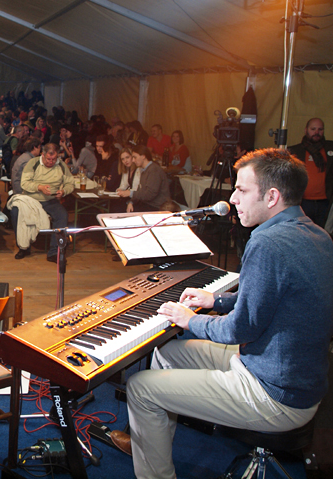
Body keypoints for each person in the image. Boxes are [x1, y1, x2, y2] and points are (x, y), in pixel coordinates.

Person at [109, 148, 333, 479]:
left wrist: (191, 319)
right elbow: (269, 297)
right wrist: (216, 301)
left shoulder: (267, 242)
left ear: (271, 196)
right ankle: (148, 440)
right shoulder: (316, 234)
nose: (232, 198)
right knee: (168, 352)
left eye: (242, 190)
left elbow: (239, 331)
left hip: (274, 391)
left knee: (140, 387)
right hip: (295, 375)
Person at [16, 142, 75, 261]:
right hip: (31, 199)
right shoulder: (33, 163)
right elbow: (24, 183)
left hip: (50, 200)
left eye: (54, 159)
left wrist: (63, 191)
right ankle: (24, 248)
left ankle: (54, 252)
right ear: (43, 155)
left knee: (62, 215)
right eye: (48, 159)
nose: (51, 162)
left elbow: (70, 183)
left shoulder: (61, 165)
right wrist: (39, 187)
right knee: (16, 212)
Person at [288, 118, 333, 228]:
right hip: (303, 202)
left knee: (324, 234)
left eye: (320, 129)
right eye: (313, 129)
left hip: (325, 202)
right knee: (302, 232)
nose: (316, 132)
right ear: (306, 130)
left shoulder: (330, 148)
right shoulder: (295, 151)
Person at [116, 145, 169, 212]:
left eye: (135, 157)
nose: (133, 160)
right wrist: (131, 202)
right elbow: (140, 191)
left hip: (157, 206)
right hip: (147, 204)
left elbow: (150, 194)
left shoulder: (154, 170)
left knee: (121, 210)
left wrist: (130, 193)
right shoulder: (144, 170)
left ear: (143, 156)